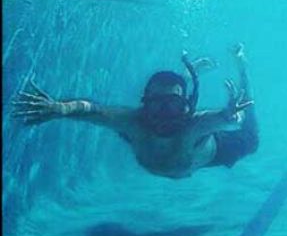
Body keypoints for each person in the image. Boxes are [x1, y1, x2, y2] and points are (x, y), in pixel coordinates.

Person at [12, 43, 258, 179]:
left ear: (186, 107)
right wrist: (59, 108)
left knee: (251, 140)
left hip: (212, 153)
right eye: (157, 103)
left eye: (173, 104)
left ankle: (243, 70)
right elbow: (91, 110)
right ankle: (185, 76)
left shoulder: (196, 124)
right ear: (145, 104)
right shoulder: (134, 121)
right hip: (154, 145)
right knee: (122, 123)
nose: (164, 113)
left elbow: (226, 120)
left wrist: (231, 115)